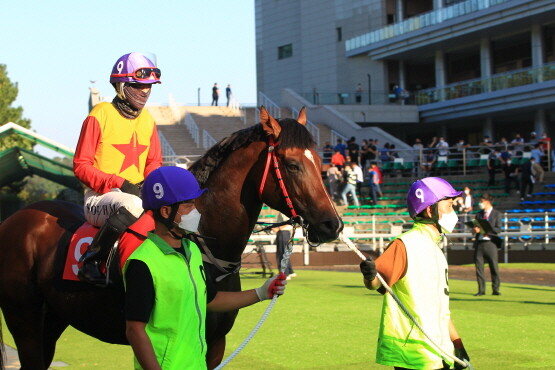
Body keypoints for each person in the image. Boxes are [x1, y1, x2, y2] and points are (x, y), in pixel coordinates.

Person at [124, 166, 287, 369]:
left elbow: (209, 299)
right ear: (166, 211)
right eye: (188, 205)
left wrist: (261, 293)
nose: (196, 211)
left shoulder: (192, 250)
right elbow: (135, 330)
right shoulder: (142, 263)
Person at [359, 177, 470, 370]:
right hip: (414, 355)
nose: (454, 212)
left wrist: (457, 343)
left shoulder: (436, 250)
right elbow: (377, 284)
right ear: (430, 210)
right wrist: (369, 276)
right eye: (450, 205)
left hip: (440, 351)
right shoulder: (405, 244)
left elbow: (440, 307)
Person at [74, 52, 163, 285]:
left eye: (149, 86)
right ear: (122, 86)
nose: (145, 91)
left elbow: (154, 163)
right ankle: (91, 261)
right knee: (132, 203)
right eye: (138, 85)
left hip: (139, 195)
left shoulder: (149, 121)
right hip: (100, 199)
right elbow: (81, 166)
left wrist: (154, 188)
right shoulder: (100, 114)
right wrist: (121, 184)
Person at [472, 193, 502, 296]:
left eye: (482, 201)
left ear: (487, 202)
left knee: (494, 266)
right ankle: (481, 289)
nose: (480, 203)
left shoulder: (496, 214)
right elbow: (474, 229)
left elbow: (498, 229)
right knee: (479, 268)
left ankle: (495, 289)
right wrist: (475, 230)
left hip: (491, 243)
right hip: (479, 243)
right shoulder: (479, 214)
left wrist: (488, 229)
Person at [272, 213, 296, 279]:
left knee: (282, 253)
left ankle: (285, 274)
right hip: (284, 233)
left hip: (283, 232)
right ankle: (290, 272)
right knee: (284, 252)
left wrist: (278, 229)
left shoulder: (283, 212)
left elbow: (288, 222)